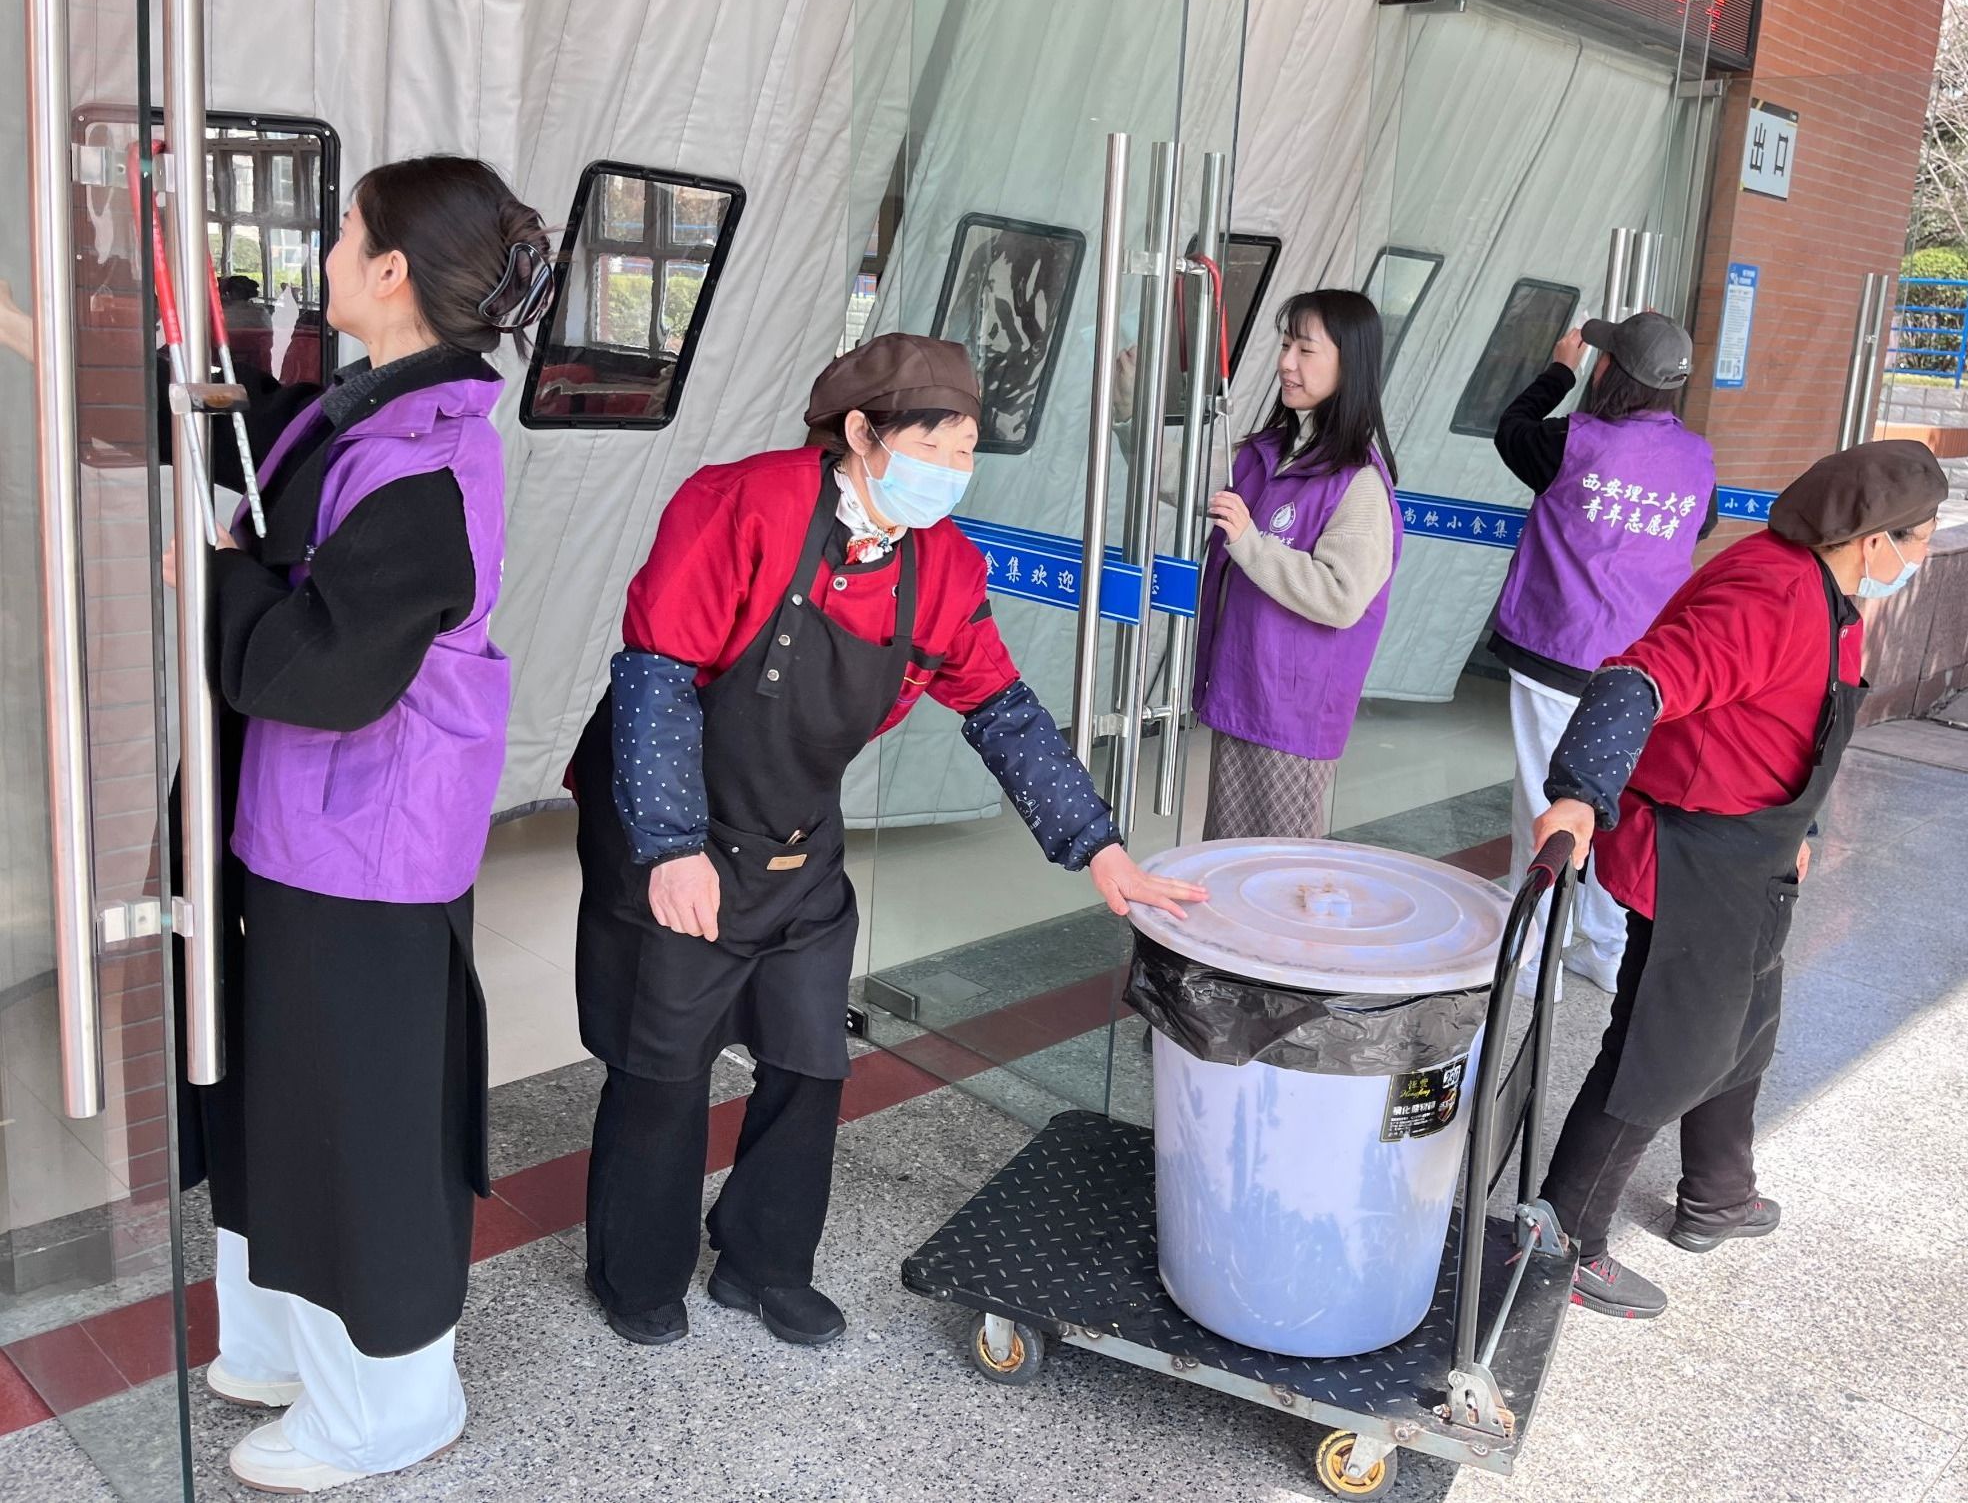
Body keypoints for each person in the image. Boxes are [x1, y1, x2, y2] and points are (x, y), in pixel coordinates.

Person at [570, 333, 1205, 1349]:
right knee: (664, 1063)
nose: (951, 470)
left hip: (793, 832)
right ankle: (636, 1273)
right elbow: (656, 673)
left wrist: (1099, 844)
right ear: (862, 432)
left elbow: (1001, 707)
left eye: (966, 451)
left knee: (811, 1056)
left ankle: (764, 1263)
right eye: (933, 445)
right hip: (670, 813)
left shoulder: (942, 564)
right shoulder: (742, 503)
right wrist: (671, 843)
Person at [177, 156, 555, 1492]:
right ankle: (288, 1344)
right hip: (303, 826)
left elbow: (326, 669)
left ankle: (389, 1404)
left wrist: (215, 576)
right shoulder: (370, 409)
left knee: (362, 1121)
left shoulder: (429, 462)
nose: (327, 249)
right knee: (287, 1096)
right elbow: (258, 449)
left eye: (344, 231)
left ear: (390, 270)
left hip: (367, 846)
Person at [1530, 439, 1946, 1320]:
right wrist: (1577, 792)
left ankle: (1717, 1194)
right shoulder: (1770, 593)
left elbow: (1797, 727)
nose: (1924, 554)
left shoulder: (1833, 595)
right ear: (1874, 540)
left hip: (1758, 847)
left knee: (1746, 1026)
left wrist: (1801, 827)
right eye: (1920, 538)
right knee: (1659, 1050)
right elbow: (1641, 678)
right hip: (1694, 855)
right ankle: (1562, 1243)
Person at [1491, 311, 1717, 993]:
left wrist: (1559, 370)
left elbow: (1511, 429)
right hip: (1639, 675)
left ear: (1609, 368)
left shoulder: (1569, 441)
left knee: (1545, 804)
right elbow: (1699, 525)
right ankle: (1606, 946)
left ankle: (1533, 962)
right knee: (1609, 808)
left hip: (1555, 653)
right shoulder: (1697, 458)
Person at [1190, 289, 1402, 840]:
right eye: (1286, 345)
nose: (1286, 363)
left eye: (1306, 350)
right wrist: (1127, 410)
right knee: (1229, 851)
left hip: (1294, 715)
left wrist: (1251, 544)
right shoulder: (1269, 452)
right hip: (1242, 690)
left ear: (1349, 365)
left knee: (1281, 865)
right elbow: (1183, 477)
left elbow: (1341, 597)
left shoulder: (1358, 482)